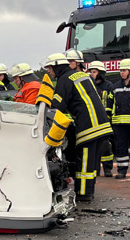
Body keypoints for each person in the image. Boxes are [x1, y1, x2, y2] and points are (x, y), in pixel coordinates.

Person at [35, 53, 112, 202]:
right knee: (91, 163)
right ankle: (89, 191)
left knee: (84, 163)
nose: (49, 72)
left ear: (57, 67)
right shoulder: (82, 75)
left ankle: (83, 194)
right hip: (101, 123)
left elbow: (57, 107)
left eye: (50, 68)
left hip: (89, 126)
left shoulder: (64, 80)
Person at [87, 61, 117, 177]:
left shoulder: (108, 86)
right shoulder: (89, 85)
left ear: (100, 73)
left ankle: (107, 168)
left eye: (94, 72)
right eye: (91, 72)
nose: (91, 74)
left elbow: (112, 102)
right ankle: (96, 169)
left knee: (105, 145)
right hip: (92, 119)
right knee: (94, 145)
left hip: (105, 119)